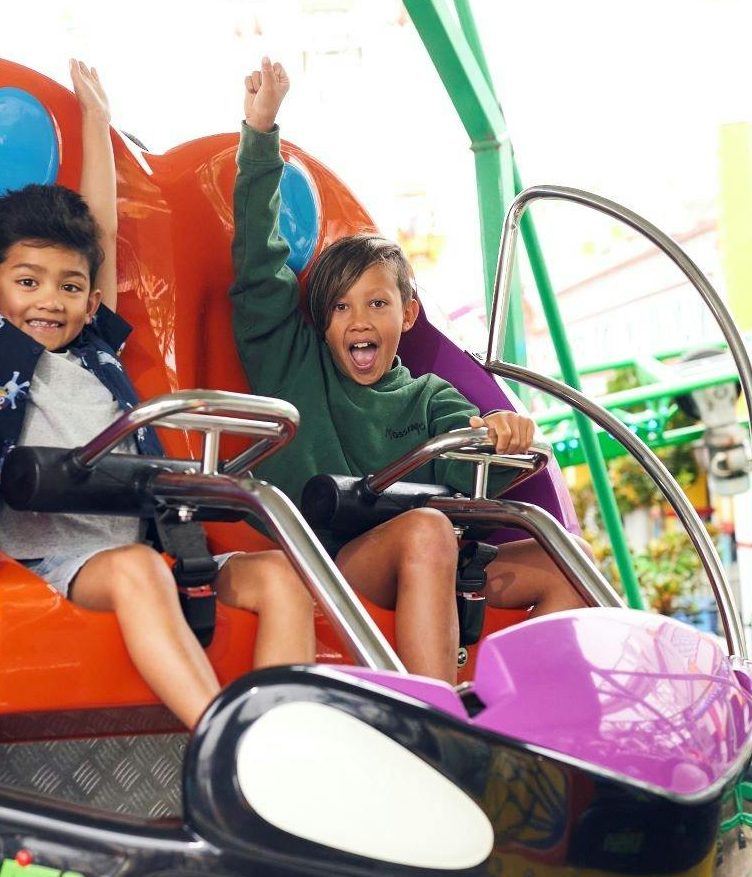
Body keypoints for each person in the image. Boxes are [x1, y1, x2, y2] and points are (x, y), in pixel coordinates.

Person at [0, 15, 313, 727]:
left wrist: (97, 123)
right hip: (59, 557)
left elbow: (101, 231)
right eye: (30, 281)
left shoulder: (92, 347)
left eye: (69, 287)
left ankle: (282, 739)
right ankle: (228, 744)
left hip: (154, 538)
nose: (51, 300)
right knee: (136, 574)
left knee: (280, 580)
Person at [230, 57, 586, 682]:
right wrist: (260, 135)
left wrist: (506, 435)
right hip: (334, 565)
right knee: (424, 529)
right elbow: (259, 260)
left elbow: (476, 461)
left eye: (376, 303)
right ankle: (435, 721)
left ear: (409, 312)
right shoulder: (295, 365)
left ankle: (528, 714)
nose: (358, 321)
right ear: (321, 321)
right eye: (340, 307)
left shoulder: (430, 398)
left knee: (567, 558)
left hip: (431, 562)